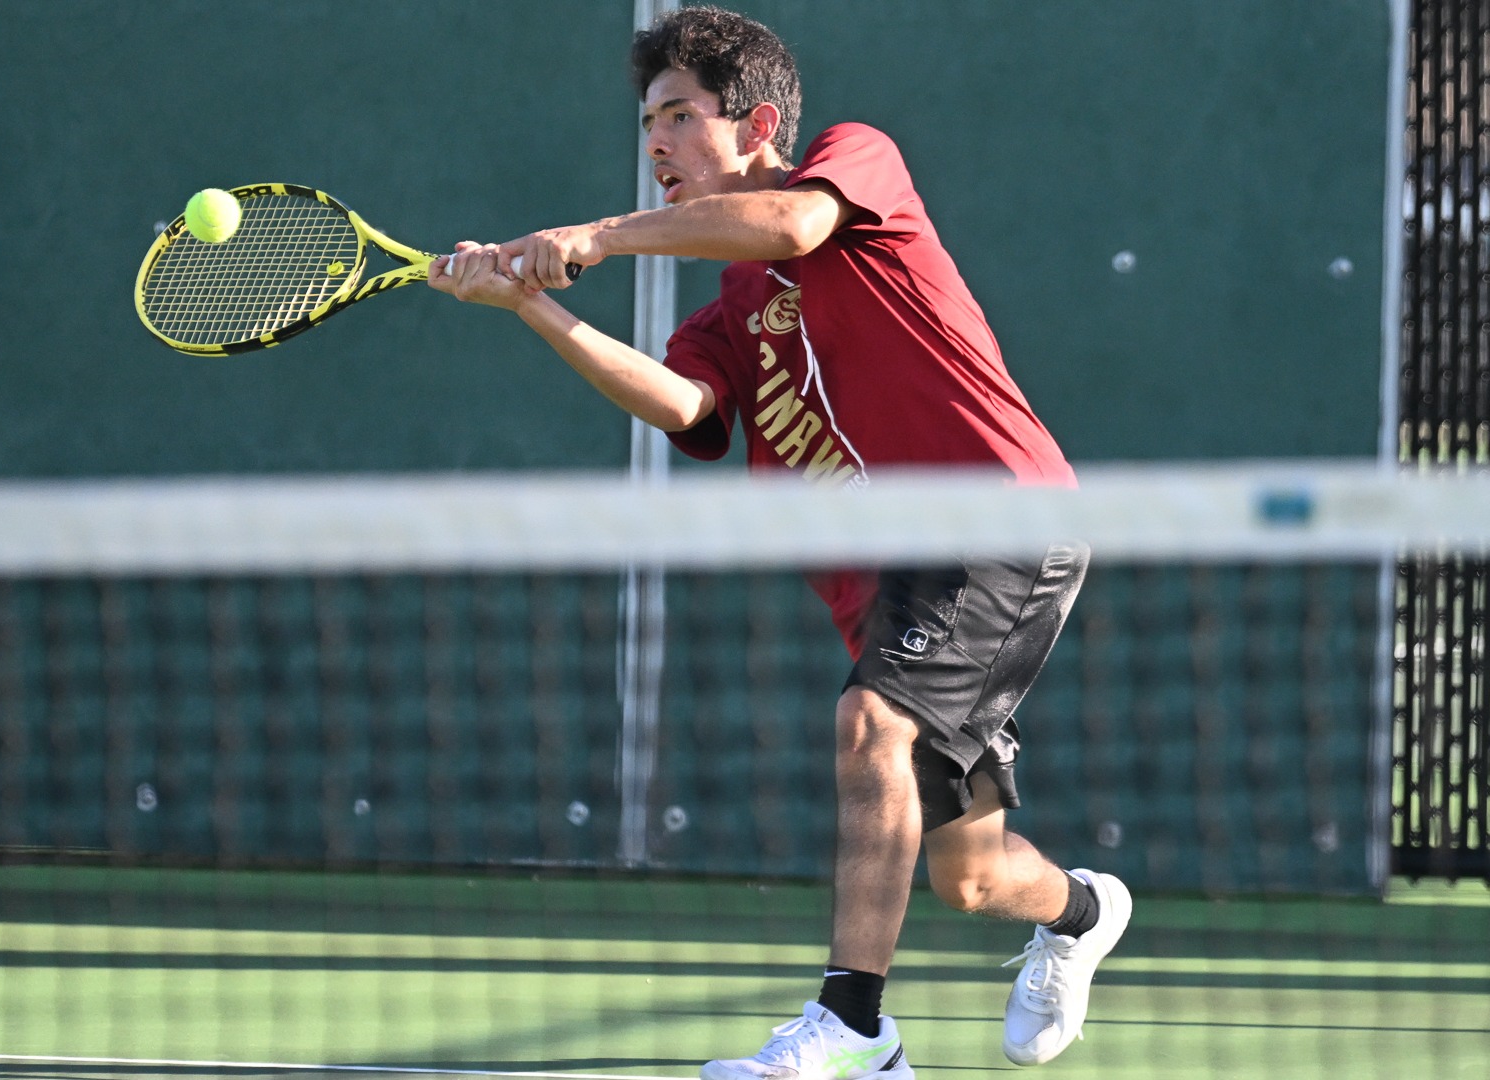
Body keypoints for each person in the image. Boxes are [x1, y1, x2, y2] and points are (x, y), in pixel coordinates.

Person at [432, 7, 1129, 1078]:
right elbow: (684, 411)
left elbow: (793, 226)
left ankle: (854, 1028)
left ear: (757, 123)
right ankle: (1082, 912)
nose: (654, 141)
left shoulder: (858, 164)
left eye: (678, 115)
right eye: (646, 122)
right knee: (970, 877)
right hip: (894, 591)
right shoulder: (732, 307)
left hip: (1001, 518)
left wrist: (599, 236)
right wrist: (532, 304)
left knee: (867, 725)